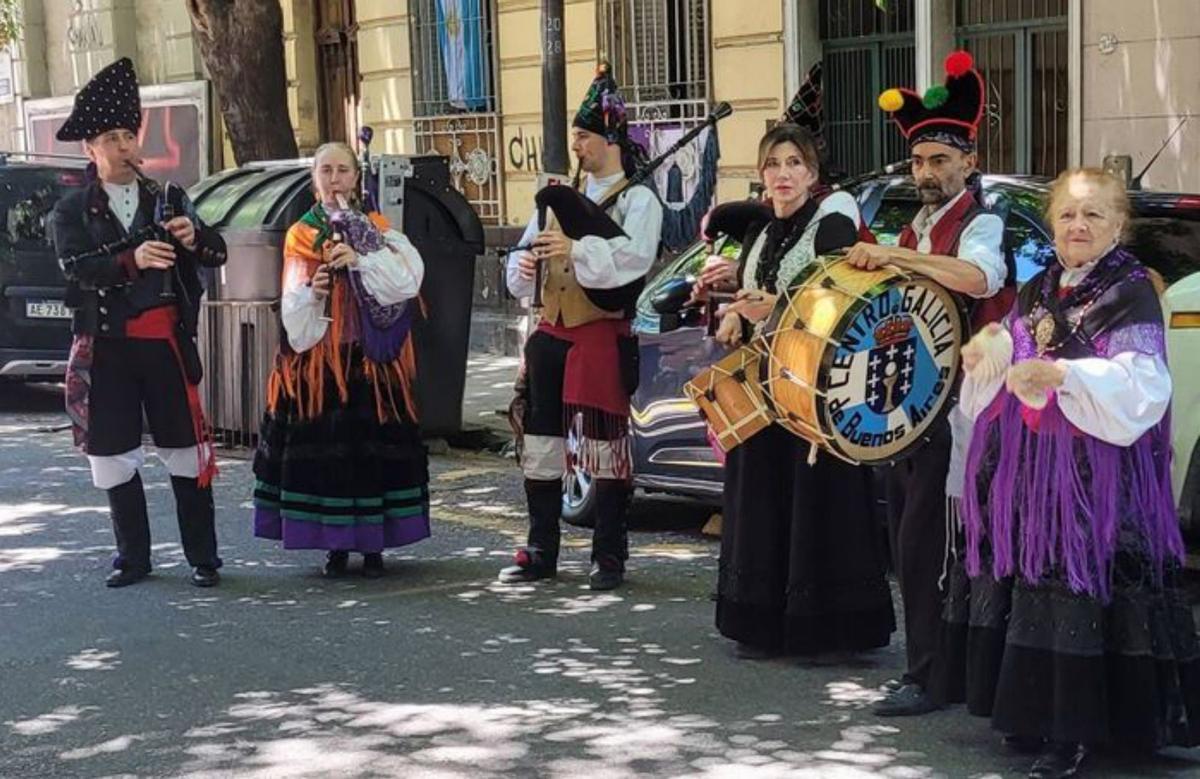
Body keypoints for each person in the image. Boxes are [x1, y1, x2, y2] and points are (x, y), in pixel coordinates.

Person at [940, 168, 1200, 779]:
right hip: (1037, 470)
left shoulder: (1130, 288)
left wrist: (1066, 377)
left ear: (1117, 226)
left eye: (1093, 216)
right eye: (1067, 215)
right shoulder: (1040, 286)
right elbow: (1020, 345)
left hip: (1099, 476)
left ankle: (1081, 731)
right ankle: (1039, 717)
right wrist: (990, 351)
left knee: (1087, 584)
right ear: (1053, 223)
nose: (1078, 226)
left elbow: (1144, 383)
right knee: (1041, 584)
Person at [845, 51, 1009, 716]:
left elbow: (979, 279)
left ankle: (933, 676)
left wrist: (891, 253)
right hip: (909, 406)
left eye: (940, 160)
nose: (927, 172)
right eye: (918, 162)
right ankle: (934, 668)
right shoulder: (916, 225)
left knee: (931, 546)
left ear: (968, 162)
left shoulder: (982, 222)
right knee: (912, 544)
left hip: (956, 412)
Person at [697, 121, 895, 658]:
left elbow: (835, 298)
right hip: (764, 384)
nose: (783, 175)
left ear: (812, 172)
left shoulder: (833, 220)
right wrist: (734, 314)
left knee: (816, 500)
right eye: (773, 165)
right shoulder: (762, 231)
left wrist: (766, 309)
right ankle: (762, 622)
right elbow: (751, 295)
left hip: (817, 385)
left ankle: (825, 628)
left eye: (794, 164)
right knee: (762, 493)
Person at [52, 58, 227, 588]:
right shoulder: (73, 209)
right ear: (91, 149)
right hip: (107, 349)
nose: (127, 146)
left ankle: (203, 558)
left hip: (165, 347)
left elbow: (216, 251)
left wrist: (194, 239)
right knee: (112, 456)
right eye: (113, 137)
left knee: (184, 451)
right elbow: (75, 270)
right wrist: (134, 260)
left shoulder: (167, 198)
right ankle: (133, 558)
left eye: (130, 135)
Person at [498, 64, 663, 591]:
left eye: (585, 135)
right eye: (575, 134)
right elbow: (521, 259)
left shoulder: (639, 199)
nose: (577, 144)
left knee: (604, 450)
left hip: (600, 335)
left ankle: (608, 554)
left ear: (610, 140)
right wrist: (523, 269)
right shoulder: (553, 195)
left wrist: (578, 248)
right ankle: (541, 548)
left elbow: (633, 260)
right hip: (550, 333)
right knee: (542, 447)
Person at [251, 142, 429, 578]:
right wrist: (316, 291)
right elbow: (293, 301)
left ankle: (373, 548)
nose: (335, 180)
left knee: (372, 460)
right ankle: (334, 547)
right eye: (326, 171)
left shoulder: (379, 227)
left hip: (373, 363)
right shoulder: (301, 234)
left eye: (343, 171)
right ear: (315, 180)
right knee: (328, 462)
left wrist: (363, 259)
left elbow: (407, 282)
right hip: (320, 367)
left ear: (356, 177)